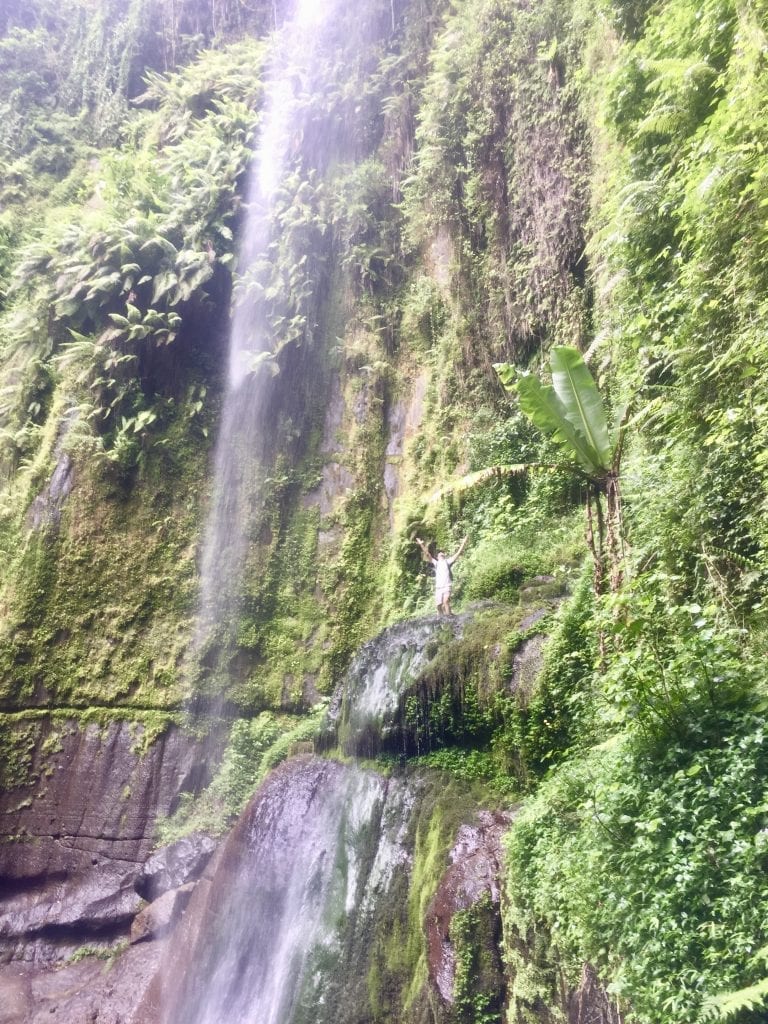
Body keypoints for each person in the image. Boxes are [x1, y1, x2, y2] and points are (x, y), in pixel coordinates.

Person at [415, 535, 468, 615]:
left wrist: (463, 543)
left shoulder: (448, 561)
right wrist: (421, 544)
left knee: (446, 601)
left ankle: (449, 618)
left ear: (444, 556)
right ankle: (442, 619)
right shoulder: (436, 563)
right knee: (439, 606)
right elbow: (427, 554)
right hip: (438, 587)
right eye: (439, 554)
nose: (441, 554)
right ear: (437, 557)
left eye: (442, 553)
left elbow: (458, 553)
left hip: (447, 585)